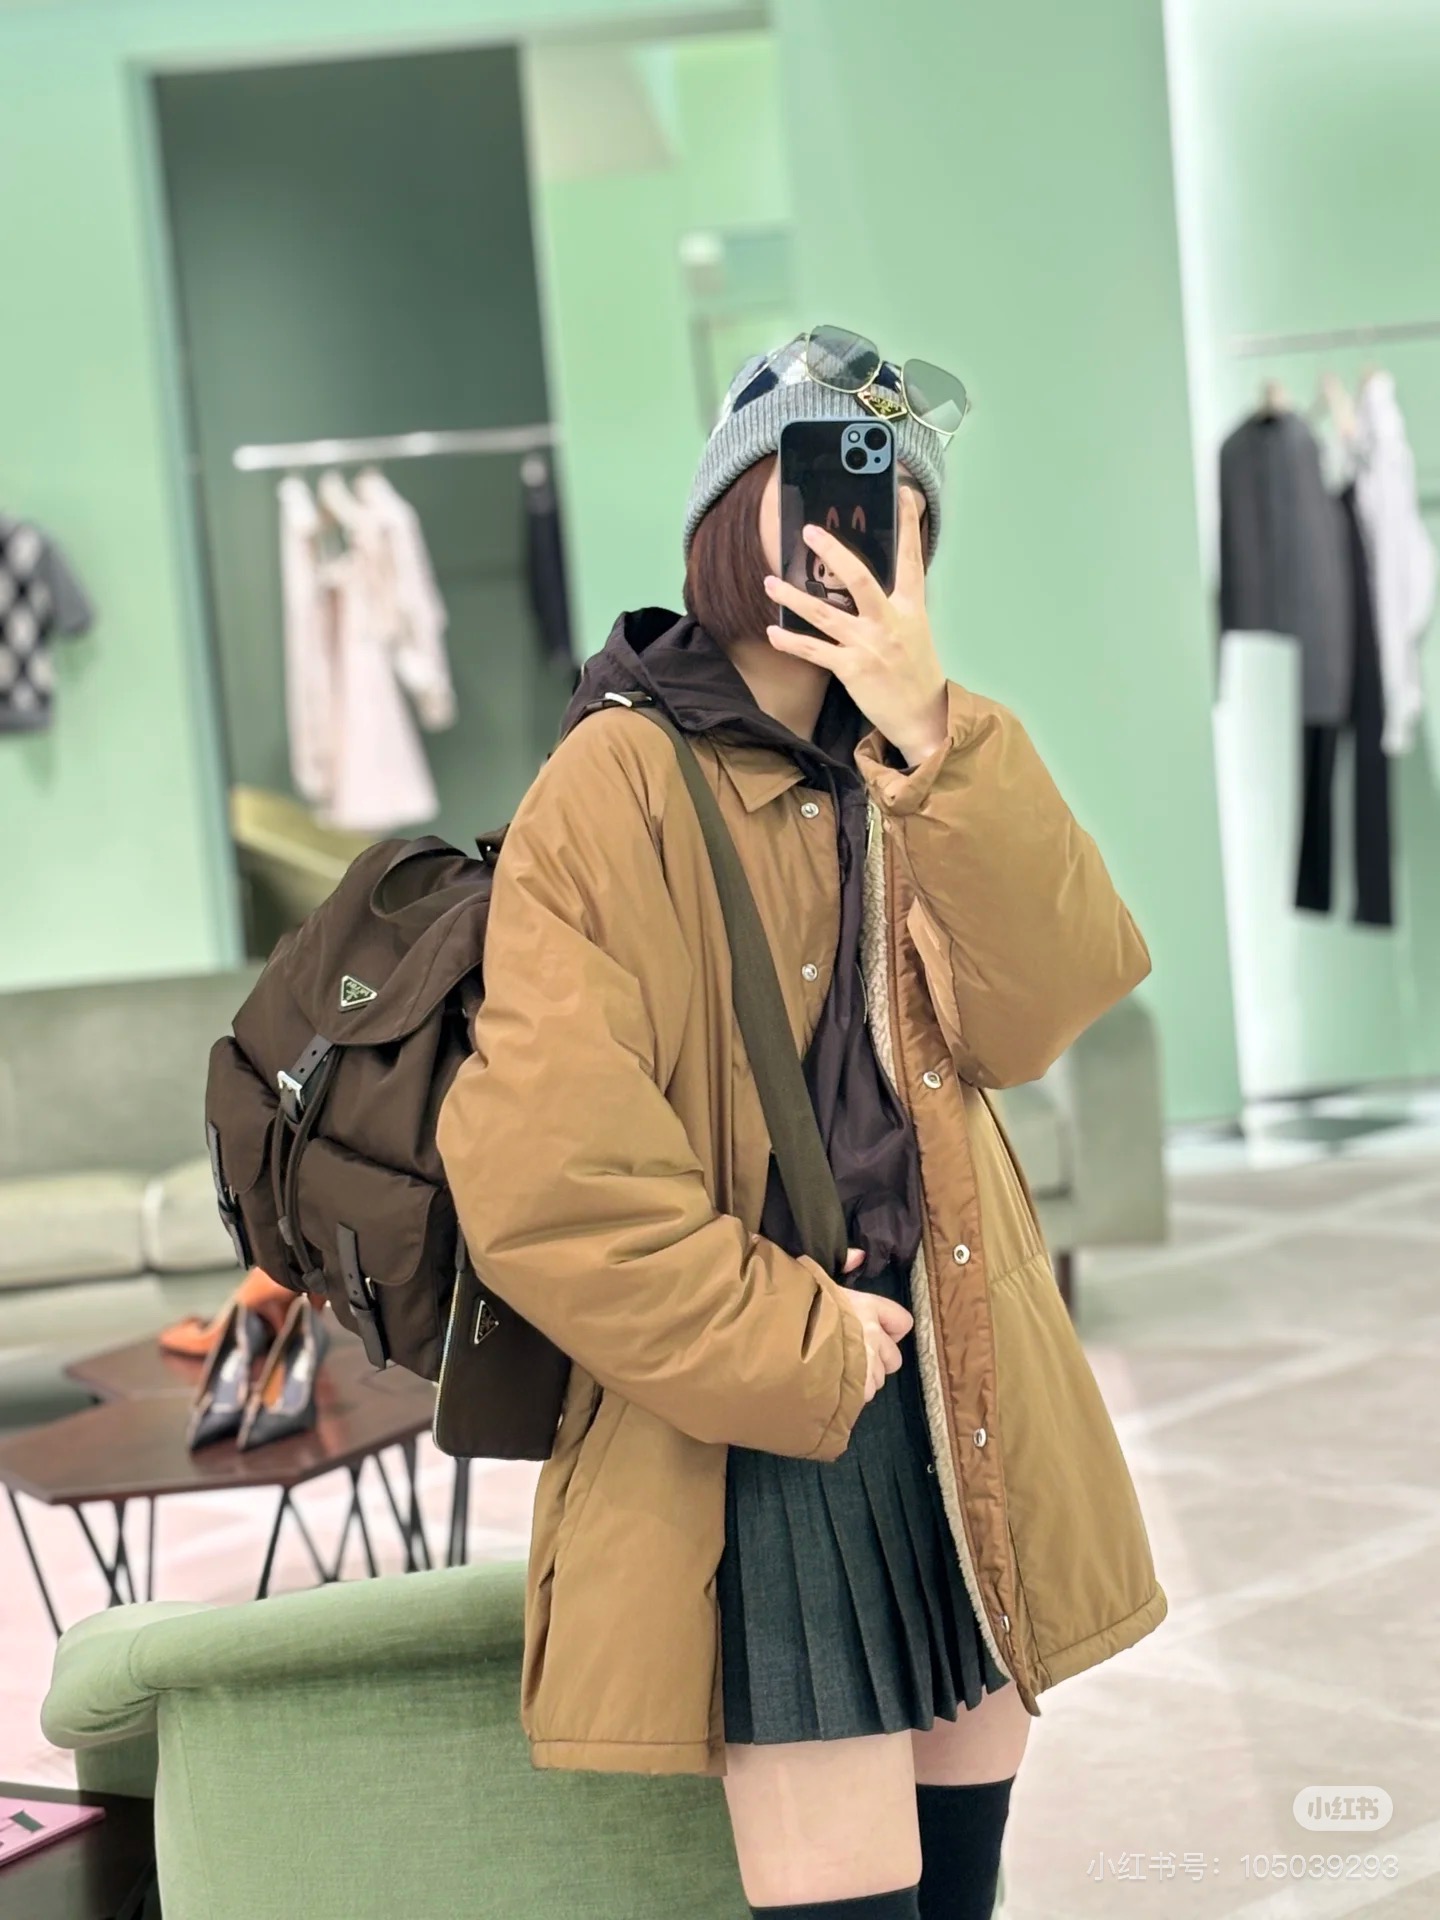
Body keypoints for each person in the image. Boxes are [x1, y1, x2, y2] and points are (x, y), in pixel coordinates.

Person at [436, 331, 1167, 1920]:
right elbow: (551, 1177)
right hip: (765, 1411)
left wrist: (938, 737)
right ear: (728, 518)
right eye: (822, 484)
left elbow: (1037, 1012)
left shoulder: (922, 765)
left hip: (955, 1391)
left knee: (962, 1885)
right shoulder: (614, 782)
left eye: (896, 510)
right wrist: (796, 1340)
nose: (857, 529)